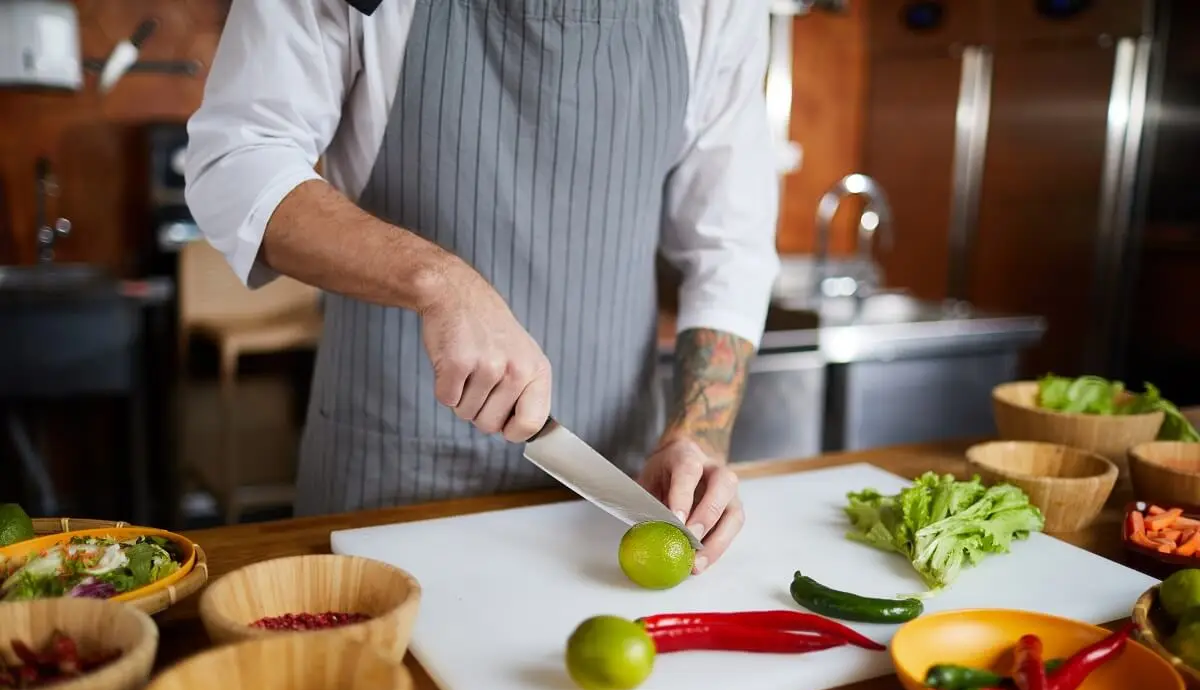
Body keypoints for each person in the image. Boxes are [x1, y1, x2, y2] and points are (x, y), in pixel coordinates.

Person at [185, 0, 781, 573]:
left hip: (610, 485)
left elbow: (729, 244)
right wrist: (439, 281)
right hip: (387, 473)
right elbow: (238, 160)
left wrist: (698, 436)